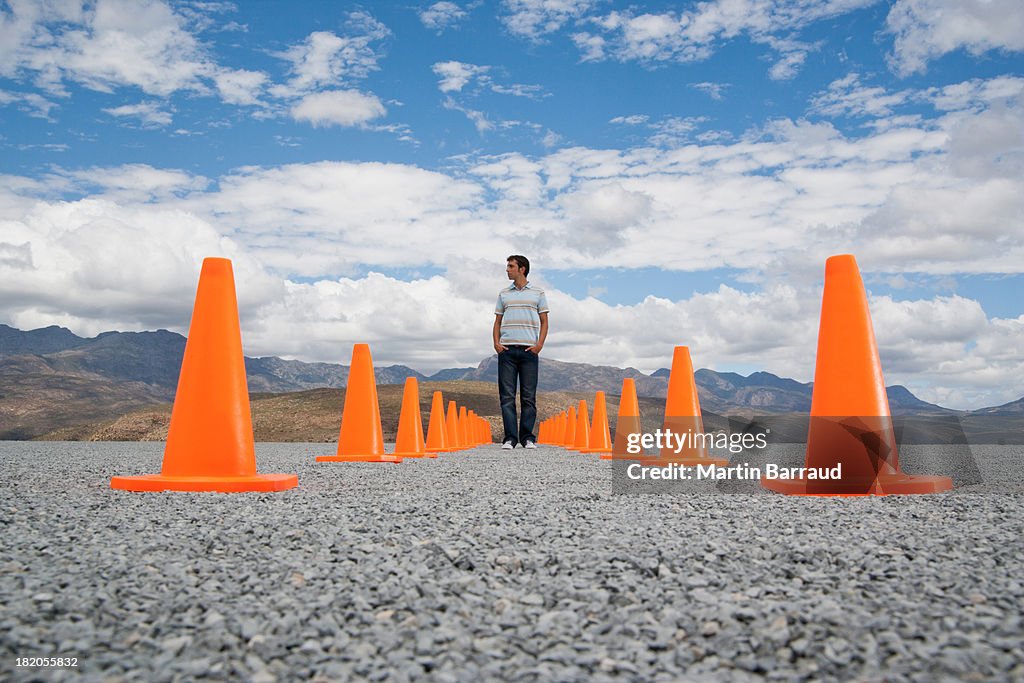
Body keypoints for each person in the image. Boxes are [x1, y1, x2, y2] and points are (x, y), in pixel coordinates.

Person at [493, 254, 549, 449]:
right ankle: (510, 438)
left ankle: (527, 438)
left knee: (528, 397)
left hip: (529, 352)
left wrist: (539, 345)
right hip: (507, 351)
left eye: (510, 266)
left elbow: (544, 321)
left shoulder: (538, 293)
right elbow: (497, 321)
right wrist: (496, 344)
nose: (507, 269)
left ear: (522, 269)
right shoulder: (503, 294)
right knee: (507, 397)